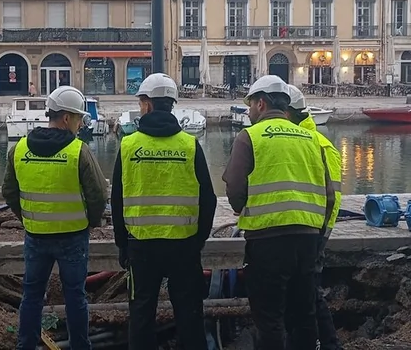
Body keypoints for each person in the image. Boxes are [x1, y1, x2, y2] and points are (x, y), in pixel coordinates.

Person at [222, 74, 335, 350]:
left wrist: (244, 208)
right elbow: (329, 196)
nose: (248, 111)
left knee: (269, 319)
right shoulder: (311, 138)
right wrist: (315, 231)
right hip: (307, 241)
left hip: (267, 241)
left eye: (250, 105)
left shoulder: (250, 137)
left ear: (261, 104)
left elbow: (235, 190)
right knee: (304, 315)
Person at [111, 73, 216, 350]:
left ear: (147, 104)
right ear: (172, 104)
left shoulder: (129, 146)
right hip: (183, 246)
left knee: (141, 314)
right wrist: (198, 239)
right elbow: (209, 198)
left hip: (141, 246)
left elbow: (117, 200)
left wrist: (123, 244)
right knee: (190, 314)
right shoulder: (189, 145)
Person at [2, 85, 107, 350]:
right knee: (75, 297)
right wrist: (91, 221)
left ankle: (25, 346)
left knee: (32, 296)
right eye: (79, 118)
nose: (81, 123)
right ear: (66, 118)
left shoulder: (19, 149)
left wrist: (26, 217)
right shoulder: (78, 151)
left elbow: (9, 192)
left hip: (36, 236)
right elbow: (97, 195)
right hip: (73, 236)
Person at [285, 84, 343, 350]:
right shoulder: (304, 140)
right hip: (307, 231)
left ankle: (328, 344)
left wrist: (321, 235)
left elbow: (333, 197)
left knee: (310, 294)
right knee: (305, 292)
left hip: (312, 232)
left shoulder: (318, 144)